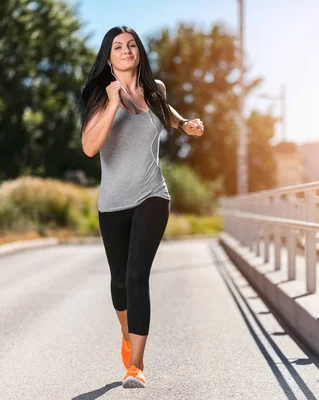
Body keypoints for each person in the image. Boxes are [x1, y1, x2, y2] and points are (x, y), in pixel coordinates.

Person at [76, 26, 204, 389]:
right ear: (109, 55)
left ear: (139, 52)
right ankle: (127, 335)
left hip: (152, 195)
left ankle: (136, 365)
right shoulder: (97, 95)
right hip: (112, 203)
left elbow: (166, 110)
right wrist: (114, 102)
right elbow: (88, 146)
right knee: (119, 283)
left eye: (131, 45)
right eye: (118, 46)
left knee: (136, 277)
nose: (126, 50)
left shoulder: (155, 89)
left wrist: (184, 124)